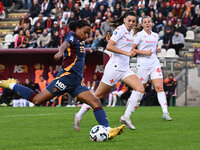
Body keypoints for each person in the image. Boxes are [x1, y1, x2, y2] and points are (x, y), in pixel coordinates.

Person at [0, 20, 125, 140]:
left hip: (75, 82)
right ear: (77, 29)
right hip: (65, 78)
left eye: (89, 33)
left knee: (96, 102)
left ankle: (107, 130)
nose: (87, 35)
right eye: (85, 32)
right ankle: (12, 85)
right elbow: (65, 44)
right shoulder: (72, 36)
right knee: (37, 100)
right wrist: (60, 51)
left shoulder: (81, 41)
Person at [74, 11, 144, 131]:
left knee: (140, 89)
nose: (131, 23)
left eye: (133, 21)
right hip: (114, 68)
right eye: (129, 21)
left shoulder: (131, 31)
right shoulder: (119, 30)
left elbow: (128, 43)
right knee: (98, 95)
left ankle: (126, 117)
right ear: (124, 20)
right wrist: (127, 53)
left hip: (125, 69)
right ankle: (79, 115)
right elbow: (109, 46)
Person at [131, 16, 172, 121]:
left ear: (152, 23)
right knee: (140, 89)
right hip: (143, 65)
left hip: (154, 64)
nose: (147, 24)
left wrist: (157, 49)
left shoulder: (155, 35)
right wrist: (145, 52)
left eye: (149, 22)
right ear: (143, 24)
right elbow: (133, 50)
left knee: (159, 88)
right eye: (145, 22)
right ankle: (129, 109)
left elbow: (155, 47)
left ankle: (165, 112)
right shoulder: (139, 35)